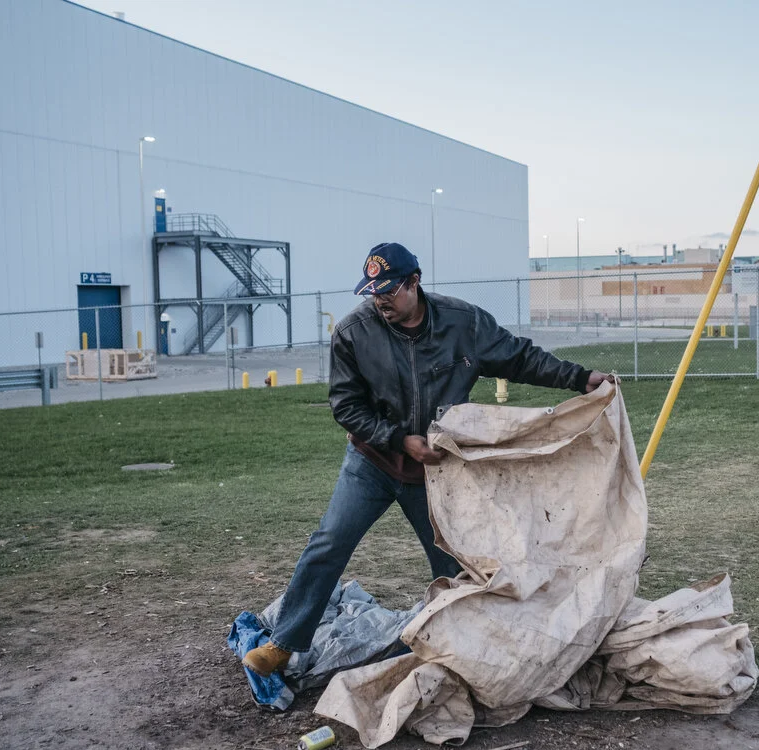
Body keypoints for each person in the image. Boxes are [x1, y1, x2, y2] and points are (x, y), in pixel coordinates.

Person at [243, 242, 611, 677]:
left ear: (414, 282)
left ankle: (471, 647)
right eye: (372, 292)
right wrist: (399, 439)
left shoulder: (463, 323)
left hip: (437, 472)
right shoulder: (353, 333)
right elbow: (345, 405)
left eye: (389, 290)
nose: (380, 300)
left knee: (455, 562)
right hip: (373, 463)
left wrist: (581, 378)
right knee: (329, 542)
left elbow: (519, 357)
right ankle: (283, 644)